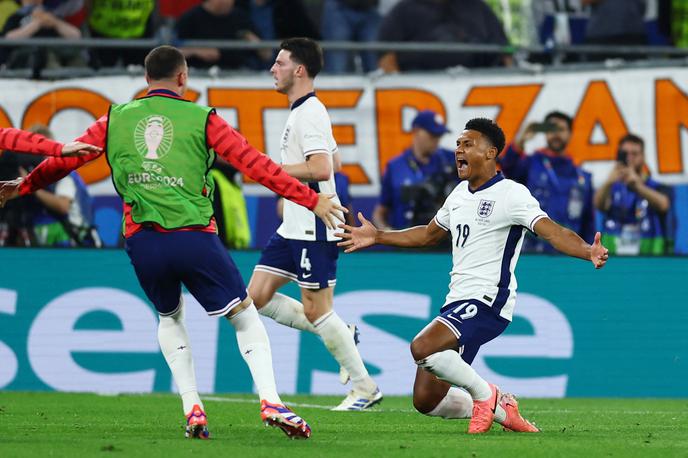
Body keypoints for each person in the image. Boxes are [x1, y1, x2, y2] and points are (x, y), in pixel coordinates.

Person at [0, 45, 348, 440]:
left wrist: (24, 186)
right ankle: (270, 400)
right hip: (193, 237)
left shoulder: (114, 119)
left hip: (143, 243)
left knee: (170, 318)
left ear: (146, 80)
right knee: (244, 315)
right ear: (183, 79)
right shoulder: (204, 119)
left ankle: (192, 407)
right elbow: (256, 166)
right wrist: (311, 198)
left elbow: (67, 159)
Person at [336, 117, 609, 434]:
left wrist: (587, 250)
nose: (458, 151)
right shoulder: (459, 195)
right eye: (457, 144)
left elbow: (552, 231)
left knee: (422, 347)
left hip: (489, 300)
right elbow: (427, 235)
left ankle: (487, 395)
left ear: (491, 153)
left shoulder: (512, 194)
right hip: (457, 301)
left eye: (468, 144)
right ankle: (501, 408)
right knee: (427, 400)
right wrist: (379, 236)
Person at [248, 37, 382, 411]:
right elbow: (335, 163)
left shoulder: (308, 113)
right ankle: (345, 333)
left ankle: (364, 388)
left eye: (279, 63)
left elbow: (321, 168)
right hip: (294, 224)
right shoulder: (306, 112)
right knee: (255, 297)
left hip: (315, 223)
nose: (273, 69)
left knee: (317, 310)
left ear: (299, 70)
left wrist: (268, 170)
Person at [499, 111, 595, 253]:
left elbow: (588, 222)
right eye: (551, 129)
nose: (556, 134)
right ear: (545, 133)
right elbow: (507, 168)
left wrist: (589, 251)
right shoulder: (531, 164)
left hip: (568, 252)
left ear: (570, 134)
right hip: (532, 251)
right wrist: (522, 139)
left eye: (561, 129)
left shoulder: (583, 177)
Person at [373, 110, 458, 230]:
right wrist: (388, 233)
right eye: (432, 135)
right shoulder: (395, 167)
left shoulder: (451, 160)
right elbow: (380, 212)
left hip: (443, 240)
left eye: (439, 136)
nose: (436, 140)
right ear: (416, 131)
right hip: (406, 241)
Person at [377, 0, 511, 73]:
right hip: (419, 85)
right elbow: (386, 55)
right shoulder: (403, 10)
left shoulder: (478, 7)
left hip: (479, 84)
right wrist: (398, 86)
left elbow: (505, 50)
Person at [594, 134, 673, 255]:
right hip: (613, 251)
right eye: (625, 154)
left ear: (643, 156)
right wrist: (609, 182)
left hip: (648, 252)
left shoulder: (655, 186)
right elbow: (598, 205)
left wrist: (637, 186)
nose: (630, 158)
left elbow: (664, 205)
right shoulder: (612, 185)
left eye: (634, 154)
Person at [175, 0, 270, 70]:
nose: (228, 2)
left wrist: (253, 40)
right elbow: (172, 53)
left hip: (239, 74)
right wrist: (196, 51)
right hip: (199, 73)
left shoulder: (241, 18)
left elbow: (267, 55)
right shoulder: (190, 19)